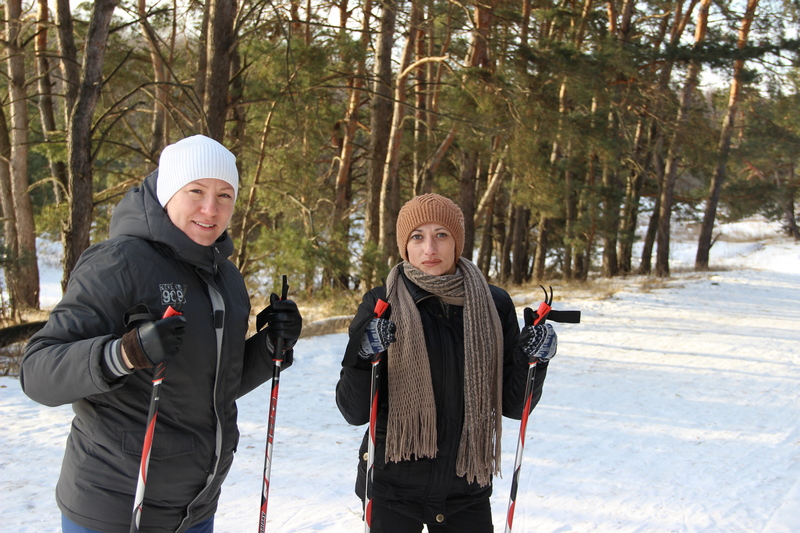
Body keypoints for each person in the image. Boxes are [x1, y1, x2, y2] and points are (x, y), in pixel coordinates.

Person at [21, 135, 302, 533]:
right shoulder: (119, 262)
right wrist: (123, 354)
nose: (211, 208)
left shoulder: (227, 279)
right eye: (196, 191)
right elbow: (37, 373)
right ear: (169, 191)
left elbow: (211, 386)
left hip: (195, 509)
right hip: (114, 509)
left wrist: (270, 346)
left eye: (225, 195)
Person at [335, 193, 557, 533]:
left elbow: (514, 405)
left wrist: (533, 360)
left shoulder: (493, 304)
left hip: (466, 486)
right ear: (404, 245)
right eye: (417, 236)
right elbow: (353, 412)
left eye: (441, 234)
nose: (430, 249)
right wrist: (364, 356)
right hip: (392, 487)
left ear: (458, 242)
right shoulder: (381, 304)